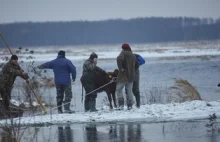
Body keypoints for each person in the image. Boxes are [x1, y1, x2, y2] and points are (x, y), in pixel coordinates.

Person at [116, 43, 139, 110]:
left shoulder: (123, 52)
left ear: (123, 48)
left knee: (119, 89)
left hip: (124, 75)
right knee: (129, 91)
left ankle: (121, 105)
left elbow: (119, 59)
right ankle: (130, 106)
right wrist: (133, 70)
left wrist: (121, 68)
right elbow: (137, 65)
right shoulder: (133, 55)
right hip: (131, 76)